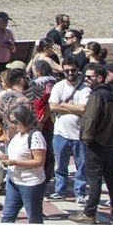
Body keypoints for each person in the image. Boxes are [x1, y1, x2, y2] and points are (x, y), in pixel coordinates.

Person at [75, 61, 113, 225]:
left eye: (89, 77)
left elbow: (90, 119)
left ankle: (89, 213)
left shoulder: (97, 95)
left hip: (96, 144)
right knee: (111, 179)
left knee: (95, 180)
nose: (86, 79)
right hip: (111, 144)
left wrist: (86, 138)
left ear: (100, 77)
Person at [48, 61, 90, 201]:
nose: (70, 73)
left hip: (79, 133)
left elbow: (84, 109)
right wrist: (73, 107)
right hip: (61, 133)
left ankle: (80, 193)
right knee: (60, 165)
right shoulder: (58, 87)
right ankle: (60, 191)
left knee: (81, 166)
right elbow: (53, 107)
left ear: (77, 70)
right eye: (67, 71)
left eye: (73, 70)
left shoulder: (85, 89)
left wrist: (63, 105)